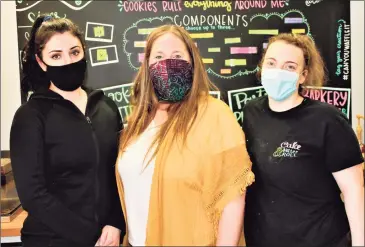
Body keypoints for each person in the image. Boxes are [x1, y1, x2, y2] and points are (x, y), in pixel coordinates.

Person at [115, 24, 255, 246]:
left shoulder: (214, 115)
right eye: (158, 56)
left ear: (192, 62)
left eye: (177, 56)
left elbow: (232, 198)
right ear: (147, 66)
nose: (168, 63)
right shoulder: (137, 122)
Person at [10, 15, 125, 247]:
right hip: (51, 241)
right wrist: (91, 236)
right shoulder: (30, 117)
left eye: (74, 52)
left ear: (84, 52)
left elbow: (117, 174)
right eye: (56, 56)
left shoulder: (107, 108)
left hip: (108, 239)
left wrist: (116, 223)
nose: (68, 61)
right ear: (41, 62)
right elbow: (33, 195)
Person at [243, 33, 364, 247]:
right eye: (271, 63)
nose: (278, 71)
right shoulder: (251, 112)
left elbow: (353, 189)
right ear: (262, 67)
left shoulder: (328, 120)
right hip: (264, 239)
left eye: (290, 67)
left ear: (302, 75)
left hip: (321, 239)